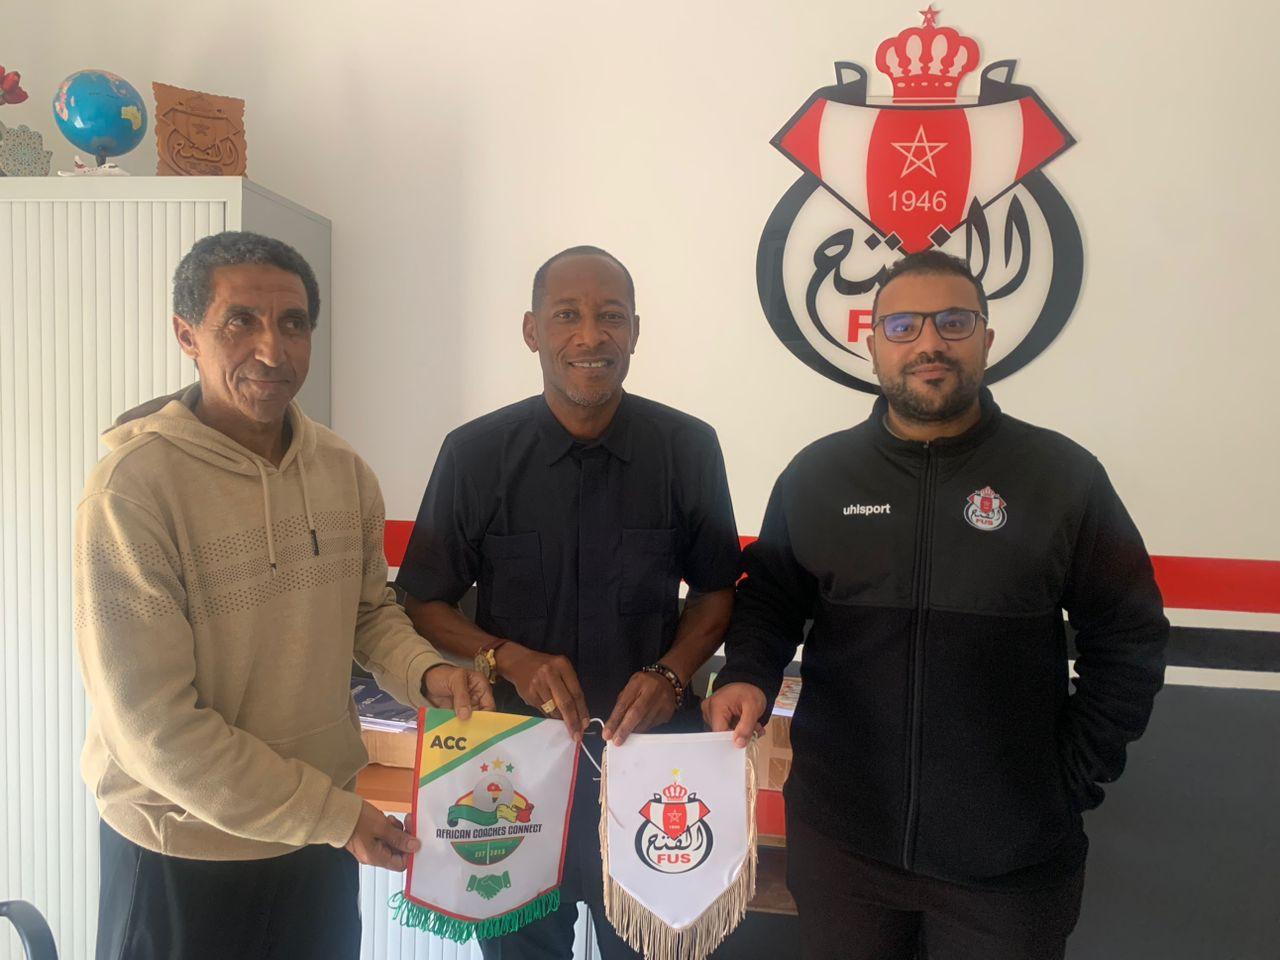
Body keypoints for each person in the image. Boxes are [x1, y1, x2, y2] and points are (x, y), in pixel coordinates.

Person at [703, 250, 1168, 960]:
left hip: (1009, 864)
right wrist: (746, 675)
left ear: (986, 338)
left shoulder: (1062, 477)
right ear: (872, 345)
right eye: (903, 326)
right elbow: (769, 599)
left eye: (954, 322)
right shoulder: (819, 474)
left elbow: (1129, 634)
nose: (929, 343)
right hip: (843, 847)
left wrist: (1069, 777)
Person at [74, 231, 494, 960]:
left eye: (293, 323)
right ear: (186, 335)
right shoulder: (131, 492)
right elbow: (154, 729)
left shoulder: (342, 471)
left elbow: (368, 613)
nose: (272, 350)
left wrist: (427, 673)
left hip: (315, 847)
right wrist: (333, 815)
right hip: (184, 851)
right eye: (240, 321)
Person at [397, 245, 741, 959]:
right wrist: (505, 656)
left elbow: (716, 592)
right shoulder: (474, 454)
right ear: (532, 331)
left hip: (652, 773)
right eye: (567, 316)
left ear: (635, 332)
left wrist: (673, 671)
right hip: (511, 778)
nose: (591, 336)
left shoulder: (688, 448)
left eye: (611, 316)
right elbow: (423, 601)